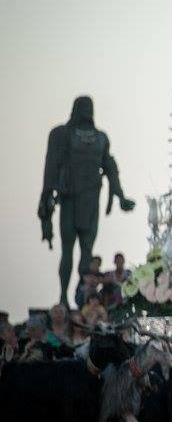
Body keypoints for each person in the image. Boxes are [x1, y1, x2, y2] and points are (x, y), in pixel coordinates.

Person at [39, 96, 136, 306]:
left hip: (91, 199)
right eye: (83, 108)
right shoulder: (62, 134)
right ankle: (64, 296)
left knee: (87, 252)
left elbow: (109, 165)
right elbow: (51, 167)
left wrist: (120, 195)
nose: (87, 111)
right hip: (70, 199)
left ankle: (83, 295)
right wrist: (46, 199)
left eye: (89, 107)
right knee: (67, 249)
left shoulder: (100, 138)